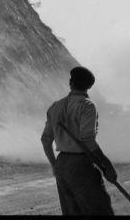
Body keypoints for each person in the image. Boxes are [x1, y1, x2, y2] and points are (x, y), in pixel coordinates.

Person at [41, 66, 116, 216]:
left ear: (70, 82)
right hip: (81, 164)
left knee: (71, 211)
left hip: (61, 163)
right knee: (100, 211)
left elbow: (45, 139)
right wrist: (106, 164)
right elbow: (87, 140)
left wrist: (55, 165)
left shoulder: (55, 106)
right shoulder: (87, 106)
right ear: (89, 86)